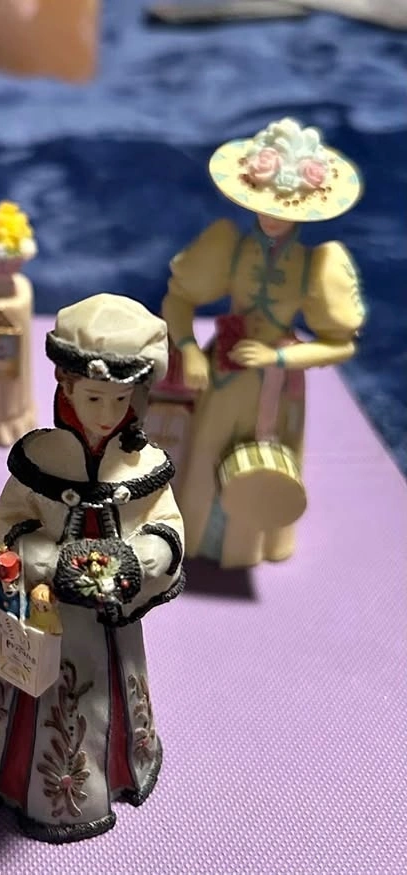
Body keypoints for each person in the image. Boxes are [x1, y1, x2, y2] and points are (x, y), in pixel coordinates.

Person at [0, 294, 185, 843]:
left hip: (112, 624)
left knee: (105, 696)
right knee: (34, 696)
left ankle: (118, 768)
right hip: (43, 616)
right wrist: (45, 560)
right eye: (93, 397)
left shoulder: (142, 465)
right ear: (64, 386)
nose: (107, 413)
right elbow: (6, 528)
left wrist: (145, 556)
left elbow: (167, 524)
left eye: (120, 399)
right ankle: (13, 773)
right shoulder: (39, 459)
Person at [161, 118, 365, 567]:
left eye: (284, 207)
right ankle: (196, 537)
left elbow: (341, 344)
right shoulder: (230, 247)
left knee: (270, 458)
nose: (271, 215)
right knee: (208, 449)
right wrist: (189, 349)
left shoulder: (316, 265)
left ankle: (250, 545)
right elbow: (178, 298)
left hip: (277, 384)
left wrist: (279, 356)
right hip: (225, 372)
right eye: (263, 204)